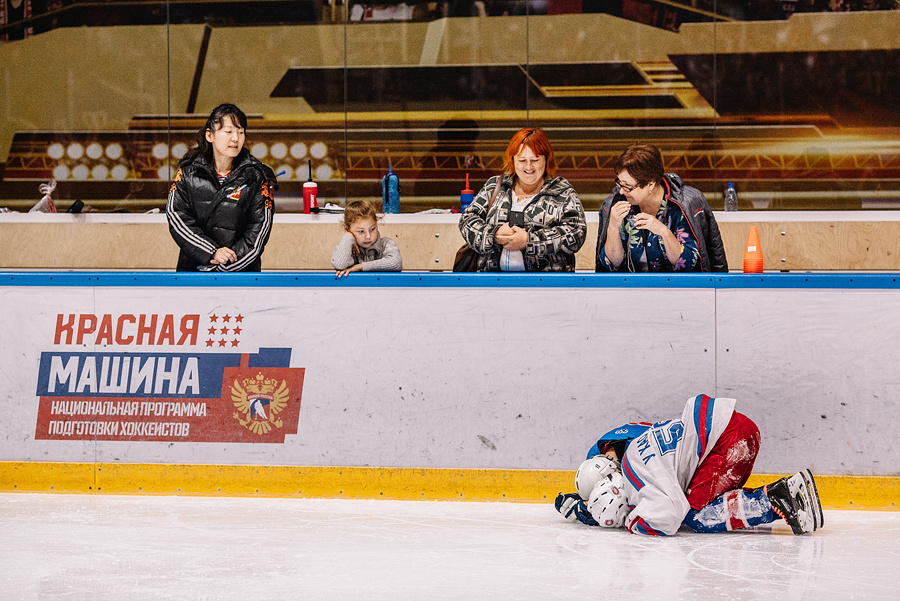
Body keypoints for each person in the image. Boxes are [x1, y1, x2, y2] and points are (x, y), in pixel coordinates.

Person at [555, 394, 825, 536]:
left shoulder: (633, 466)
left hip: (726, 440)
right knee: (704, 501)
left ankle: (781, 498)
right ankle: (778, 495)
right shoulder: (628, 451)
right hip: (729, 430)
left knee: (696, 516)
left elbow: (669, 515)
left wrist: (625, 519)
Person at [166, 103, 276, 272]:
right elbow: (177, 218)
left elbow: (259, 232)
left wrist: (223, 268)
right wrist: (211, 253)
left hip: (241, 277)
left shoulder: (256, 176)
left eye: (240, 132)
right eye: (228, 132)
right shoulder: (188, 172)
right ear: (210, 135)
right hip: (194, 274)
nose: (235, 138)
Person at [458, 127, 586, 272]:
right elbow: (467, 220)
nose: (528, 167)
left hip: (547, 287)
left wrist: (529, 241)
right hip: (492, 285)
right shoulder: (495, 186)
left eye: (535, 160)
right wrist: (495, 235)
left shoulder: (562, 192)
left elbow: (576, 233)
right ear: (512, 160)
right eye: (522, 160)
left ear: (546, 160)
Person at [595, 143, 727, 273]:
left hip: (680, 289)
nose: (622, 192)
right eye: (619, 183)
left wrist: (664, 232)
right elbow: (611, 265)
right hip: (630, 289)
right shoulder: (615, 203)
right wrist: (612, 227)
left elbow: (688, 264)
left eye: (628, 186)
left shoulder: (683, 204)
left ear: (650, 184)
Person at [331, 200, 402, 277]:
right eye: (361, 231)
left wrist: (360, 266)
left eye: (372, 229)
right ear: (348, 229)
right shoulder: (347, 248)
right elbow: (340, 265)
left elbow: (396, 263)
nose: (368, 236)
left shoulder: (386, 243)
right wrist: (348, 236)